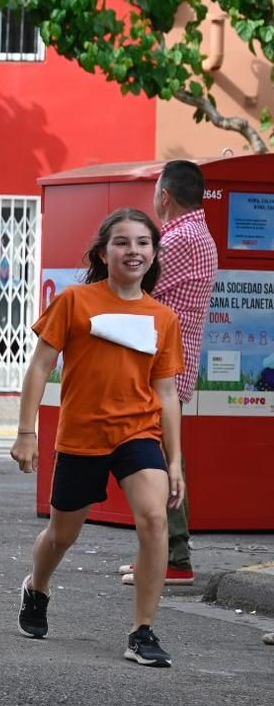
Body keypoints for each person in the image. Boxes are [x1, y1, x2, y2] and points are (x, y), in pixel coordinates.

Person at [11, 208, 184, 668]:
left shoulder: (162, 317)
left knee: (153, 521)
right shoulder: (75, 301)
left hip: (138, 434)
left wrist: (175, 461)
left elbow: (166, 392)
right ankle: (37, 587)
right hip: (83, 435)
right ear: (104, 252)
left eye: (143, 243)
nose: (133, 251)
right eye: (123, 242)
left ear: (153, 253)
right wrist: (26, 432)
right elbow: (40, 367)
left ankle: (142, 631)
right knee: (62, 534)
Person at [113, 160, 216, 590]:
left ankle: (173, 556)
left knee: (157, 457)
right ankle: (161, 553)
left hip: (159, 364)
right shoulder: (198, 235)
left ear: (165, 196)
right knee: (159, 450)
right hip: (170, 361)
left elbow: (136, 285)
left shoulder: (179, 239)